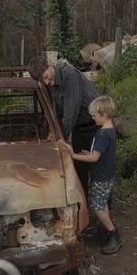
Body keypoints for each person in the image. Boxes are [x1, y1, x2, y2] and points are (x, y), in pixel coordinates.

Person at [61, 96, 121, 254]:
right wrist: (90, 153)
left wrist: (73, 155)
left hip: (100, 176)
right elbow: (99, 153)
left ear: (103, 114)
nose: (92, 119)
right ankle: (106, 231)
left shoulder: (101, 134)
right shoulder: (110, 130)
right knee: (103, 204)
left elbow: (94, 158)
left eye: (94, 116)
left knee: (95, 206)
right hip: (107, 174)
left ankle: (113, 232)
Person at [28, 56, 98, 193]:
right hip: (79, 128)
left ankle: (103, 207)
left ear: (50, 65)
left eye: (46, 77)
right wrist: (55, 131)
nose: (47, 82)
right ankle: (83, 206)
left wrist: (60, 139)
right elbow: (58, 112)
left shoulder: (69, 75)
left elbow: (71, 113)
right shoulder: (47, 84)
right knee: (80, 167)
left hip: (95, 126)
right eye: (42, 80)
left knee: (98, 167)